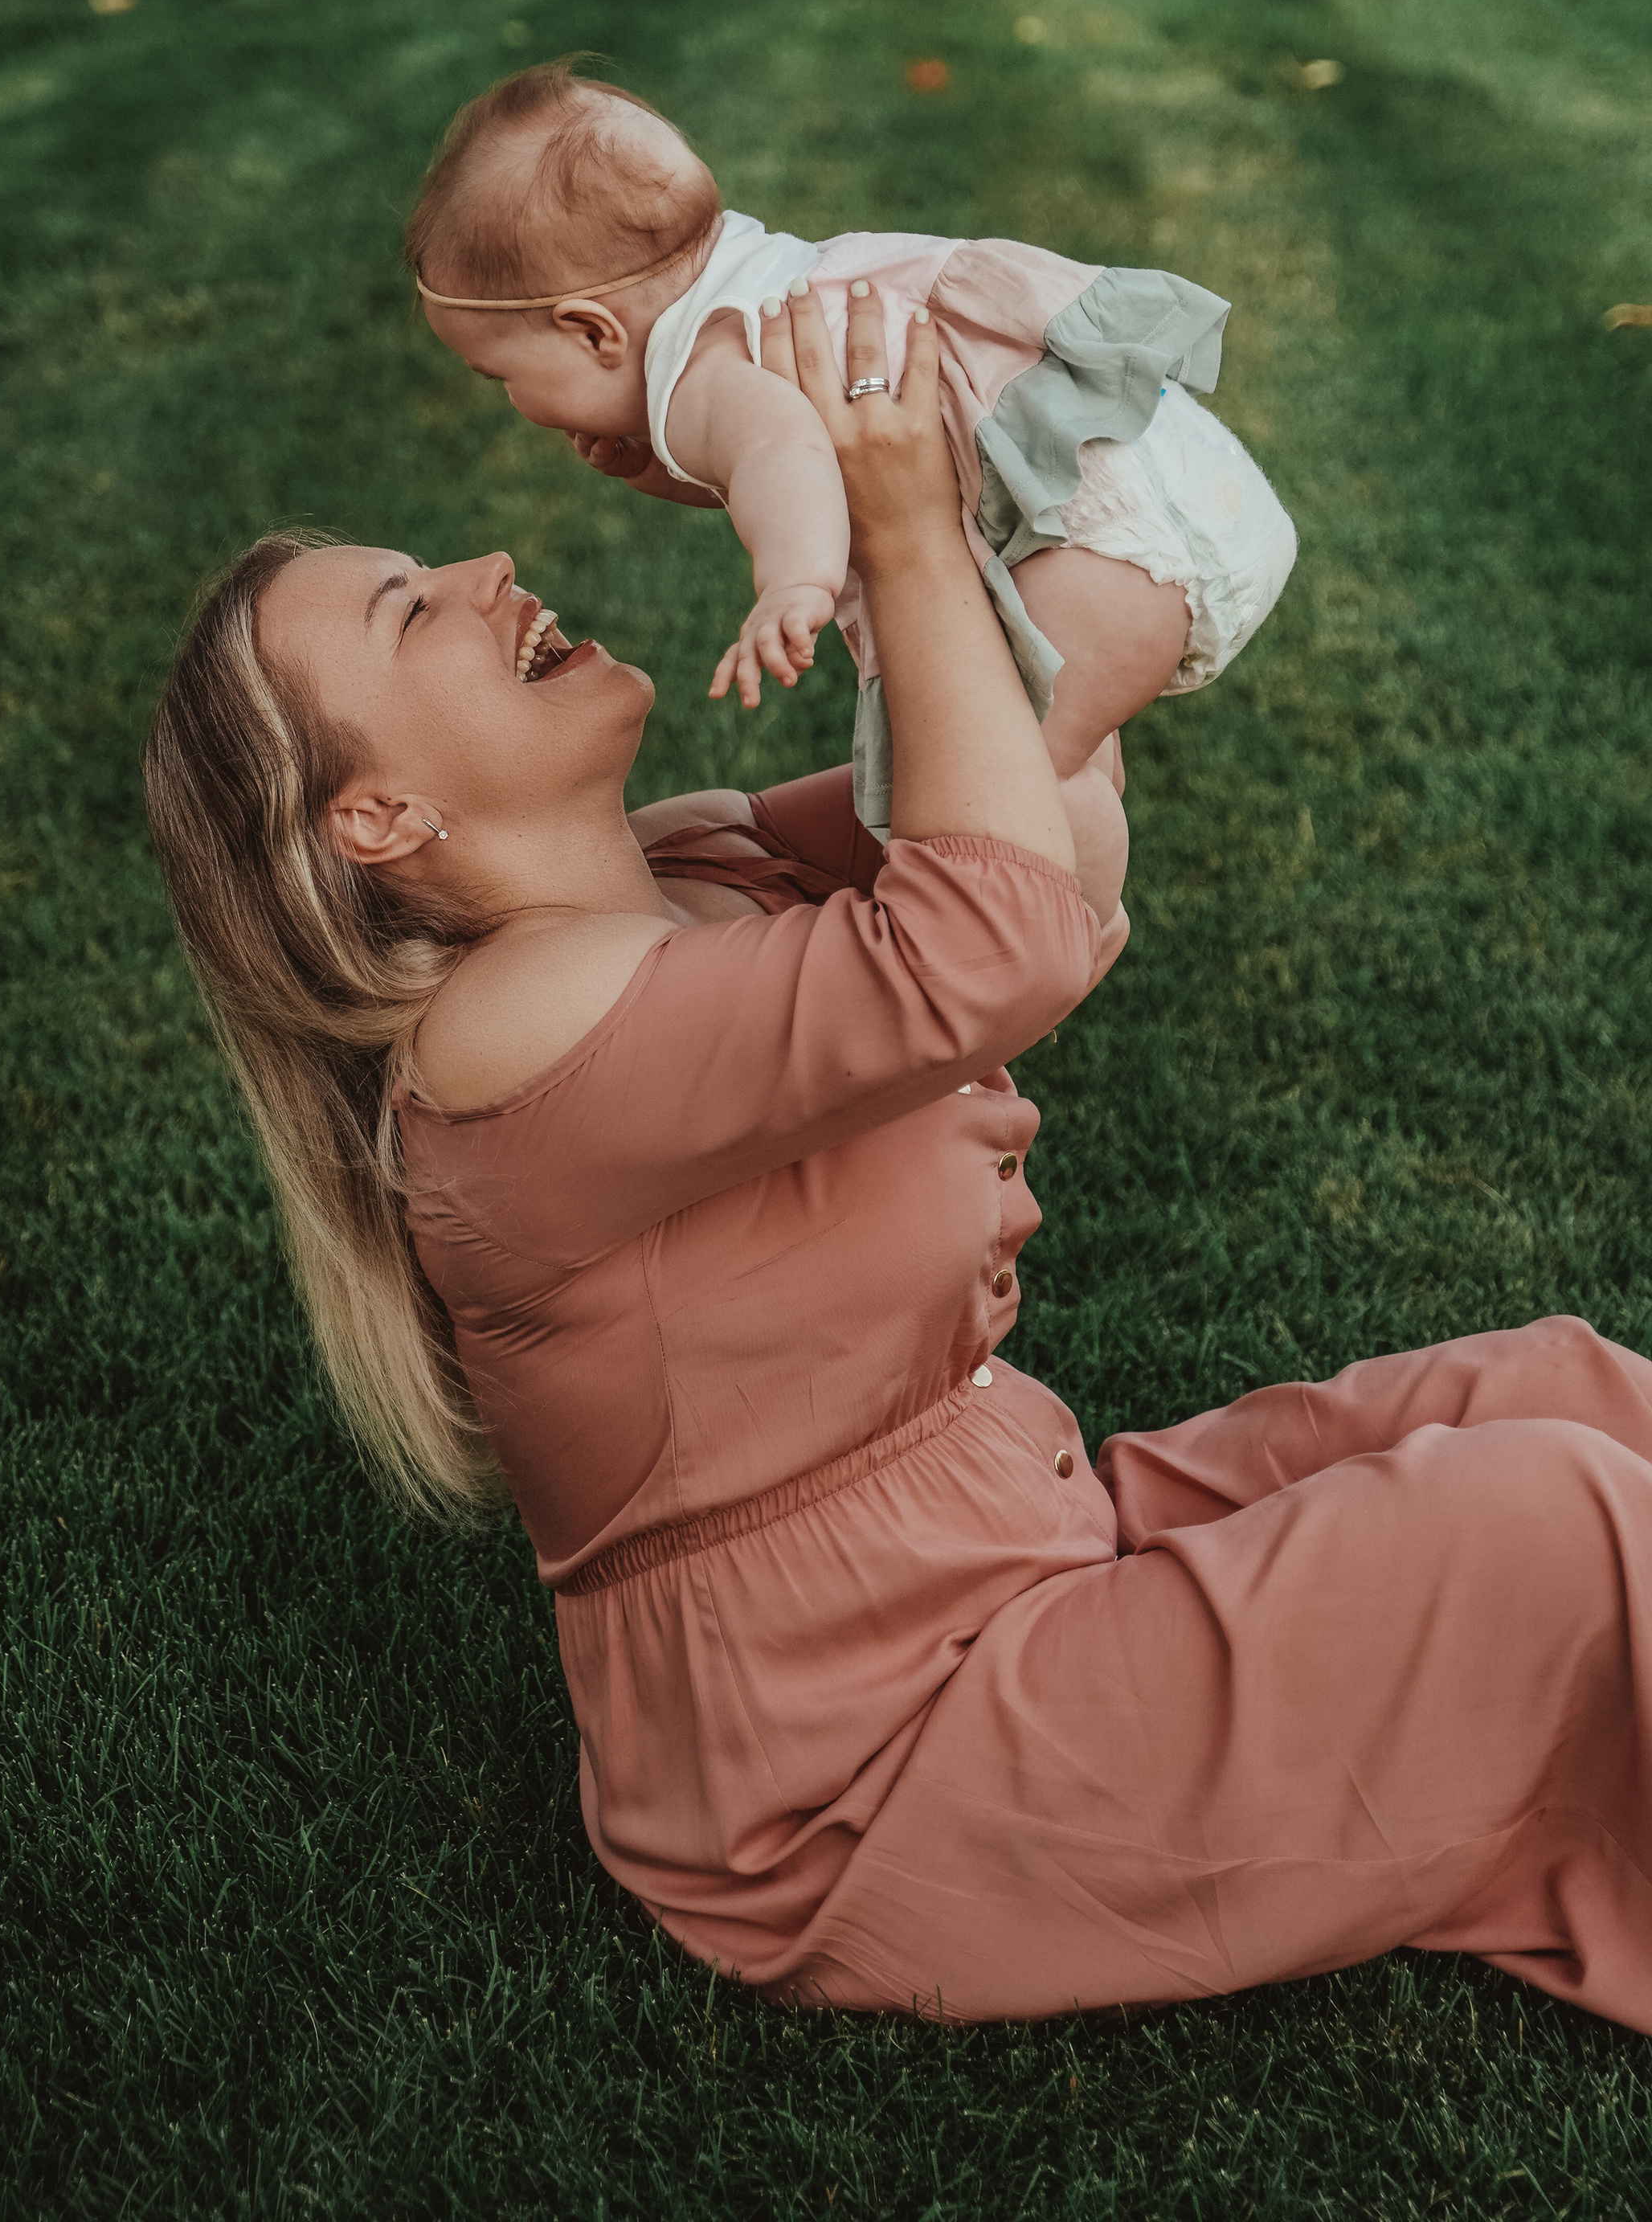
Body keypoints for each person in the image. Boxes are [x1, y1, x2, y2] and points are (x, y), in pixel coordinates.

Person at [143, 287, 1652, 2034]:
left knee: (1556, 1391)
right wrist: (908, 537)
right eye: (411, 608)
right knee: (1546, 1531)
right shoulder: (503, 1043)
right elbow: (986, 941)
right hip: (869, 1776)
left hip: (1021, 1548)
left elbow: (1048, 833)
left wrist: (923, 500)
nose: (488, 566)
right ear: (378, 817)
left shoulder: (688, 866)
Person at [406, 65, 1297, 957]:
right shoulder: (746, 274)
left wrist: (793, 581)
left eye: (501, 375)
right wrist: (655, 469)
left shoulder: (697, 374)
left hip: (1093, 545)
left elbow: (777, 454)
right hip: (1151, 487)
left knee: (994, 792)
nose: (512, 402)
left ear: (593, 331)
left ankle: (1067, 946)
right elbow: (769, 451)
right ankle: (1069, 899)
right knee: (1052, 748)